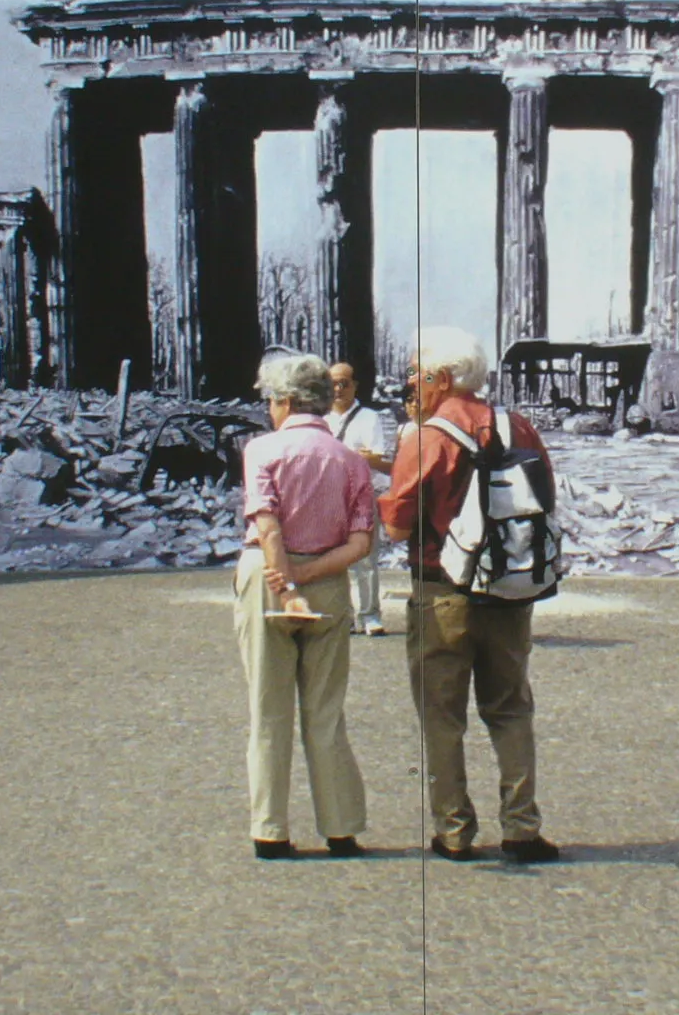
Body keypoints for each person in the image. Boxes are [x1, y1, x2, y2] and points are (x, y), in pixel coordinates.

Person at [380, 326, 560, 864]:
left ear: (440, 378)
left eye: (416, 372)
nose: (411, 382)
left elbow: (397, 525)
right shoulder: (517, 426)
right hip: (508, 589)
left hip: (442, 590)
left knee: (442, 715)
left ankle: (454, 830)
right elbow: (546, 496)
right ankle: (522, 827)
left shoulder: (426, 437)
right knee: (510, 709)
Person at [235, 353, 376, 860]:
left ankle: (270, 830)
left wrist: (285, 581)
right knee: (326, 709)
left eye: (271, 400)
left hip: (268, 577)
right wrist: (310, 575)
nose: (269, 409)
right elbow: (361, 544)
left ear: (287, 401)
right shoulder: (352, 461)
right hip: (328, 580)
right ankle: (340, 827)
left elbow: (268, 524)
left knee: (268, 709)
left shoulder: (262, 450)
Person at [326, 361, 393, 637]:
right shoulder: (320, 418)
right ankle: (345, 616)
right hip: (330, 498)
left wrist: (359, 458)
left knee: (366, 557)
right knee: (335, 560)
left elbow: (377, 457)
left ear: (354, 386)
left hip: (362, 496)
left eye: (344, 383)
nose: (338, 389)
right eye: (333, 383)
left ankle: (370, 615)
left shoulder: (369, 418)